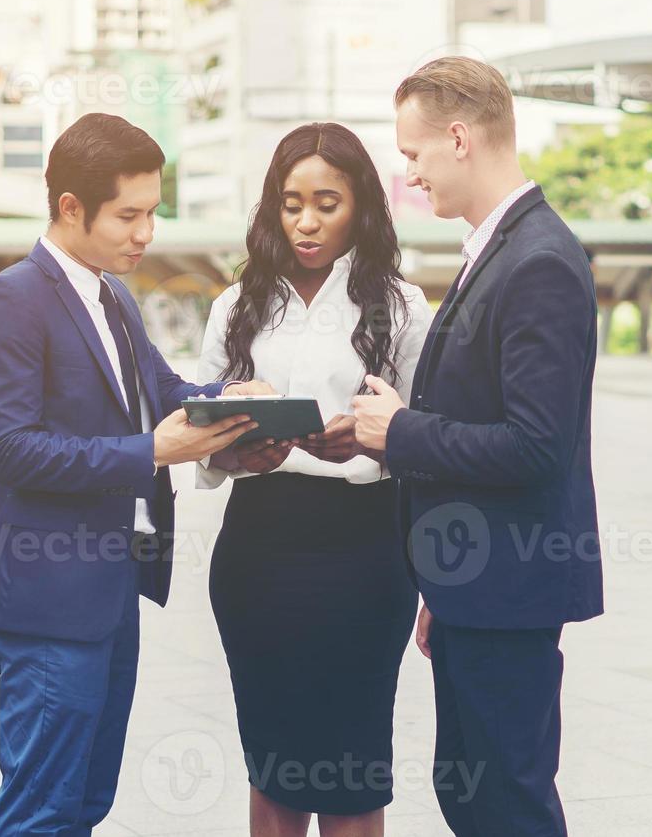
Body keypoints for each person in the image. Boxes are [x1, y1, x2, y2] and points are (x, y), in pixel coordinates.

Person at [0, 113, 273, 835]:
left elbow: (164, 396)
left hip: (108, 594)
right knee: (39, 813)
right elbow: (8, 449)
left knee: (83, 805)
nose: (146, 233)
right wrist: (150, 453)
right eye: (128, 215)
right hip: (46, 606)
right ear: (71, 207)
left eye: (152, 213)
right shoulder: (14, 298)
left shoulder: (111, 294)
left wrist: (234, 404)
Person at [350, 57, 603, 836]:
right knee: (471, 795)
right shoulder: (501, 249)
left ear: (458, 138)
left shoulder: (539, 263)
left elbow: (535, 445)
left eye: (413, 155)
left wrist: (400, 431)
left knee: (508, 803)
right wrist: (446, 588)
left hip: (511, 592)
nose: (411, 175)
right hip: (480, 587)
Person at [195, 122, 433, 836]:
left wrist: (373, 440)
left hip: (365, 553)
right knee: (274, 758)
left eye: (327, 202)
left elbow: (429, 439)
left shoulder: (401, 306)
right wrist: (238, 452)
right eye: (291, 202)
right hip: (258, 550)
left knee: (354, 764)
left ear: (360, 205)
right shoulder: (235, 306)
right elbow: (201, 431)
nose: (306, 221)